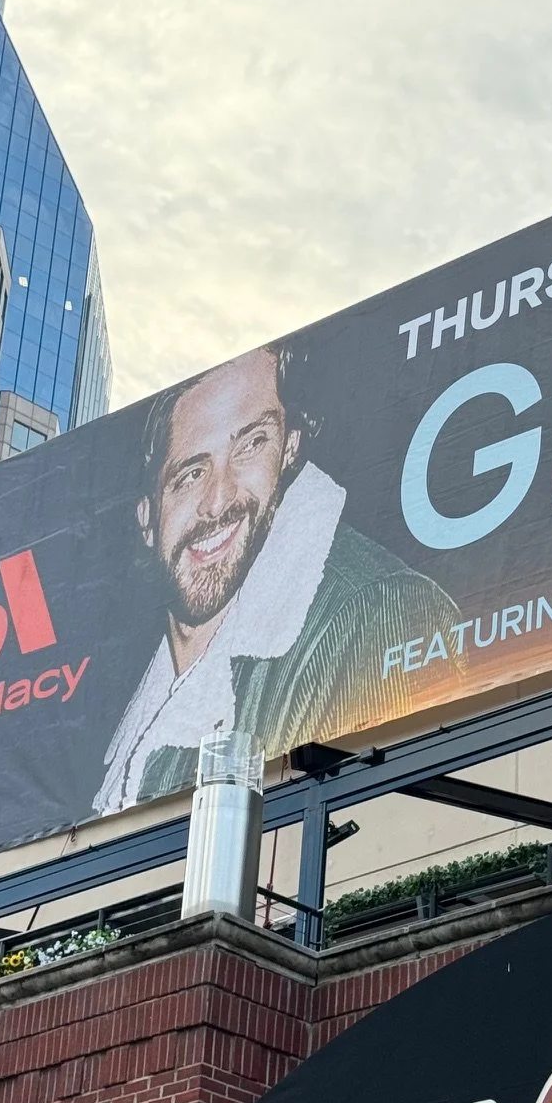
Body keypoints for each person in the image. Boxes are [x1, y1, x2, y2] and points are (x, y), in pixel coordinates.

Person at [96, 344, 461, 811]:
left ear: (289, 447)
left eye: (251, 444)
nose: (218, 500)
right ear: (147, 520)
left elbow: (387, 837)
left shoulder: (378, 613)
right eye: (191, 473)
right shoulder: (119, 700)